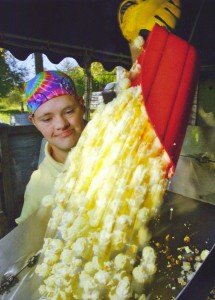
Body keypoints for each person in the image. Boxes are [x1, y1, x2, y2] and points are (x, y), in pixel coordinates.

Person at [15, 70, 86, 224]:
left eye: (69, 111)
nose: (61, 124)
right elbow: (29, 242)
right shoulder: (38, 186)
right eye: (47, 119)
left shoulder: (116, 149)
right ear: (34, 122)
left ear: (82, 105)